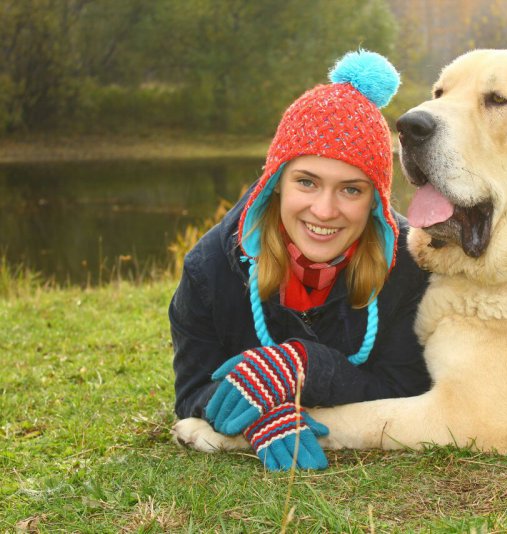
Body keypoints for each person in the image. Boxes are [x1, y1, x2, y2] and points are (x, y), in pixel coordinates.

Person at [169, 50, 431, 471]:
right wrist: (261, 412)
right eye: (306, 182)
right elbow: (193, 390)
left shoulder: (409, 265)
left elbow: (408, 385)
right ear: (275, 183)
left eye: (351, 190)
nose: (324, 211)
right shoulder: (209, 269)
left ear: (376, 202)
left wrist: (301, 365)